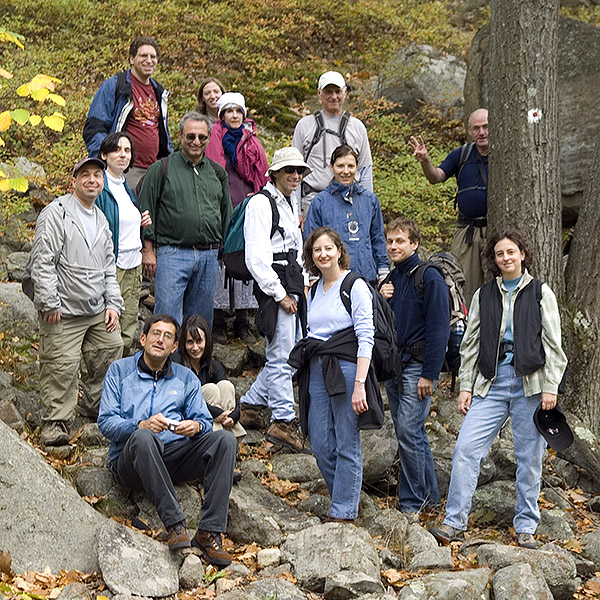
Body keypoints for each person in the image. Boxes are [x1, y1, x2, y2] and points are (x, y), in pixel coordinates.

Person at [429, 229, 568, 549]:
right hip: (490, 383)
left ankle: (526, 527)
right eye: (499, 254)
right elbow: (470, 344)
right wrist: (465, 386)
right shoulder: (483, 295)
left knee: (529, 457)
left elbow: (554, 346)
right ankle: (454, 522)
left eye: (511, 252)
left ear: (523, 254)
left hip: (530, 385)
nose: (505, 258)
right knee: (465, 450)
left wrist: (551, 387)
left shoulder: (539, 292)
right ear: (493, 259)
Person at [98, 314, 237, 565]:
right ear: (143, 339)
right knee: (143, 437)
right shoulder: (119, 371)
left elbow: (205, 421)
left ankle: (209, 532)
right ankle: (175, 524)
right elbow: (105, 421)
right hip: (131, 461)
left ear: (175, 347)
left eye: (168, 336)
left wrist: (194, 426)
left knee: (225, 441)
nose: (160, 340)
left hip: (173, 456)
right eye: (155, 334)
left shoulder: (186, 378)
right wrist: (140, 425)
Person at [24, 157, 124, 446]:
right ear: (74, 181)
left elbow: (109, 267)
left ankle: (94, 406)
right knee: (61, 363)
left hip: (95, 308)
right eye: (85, 176)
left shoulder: (102, 219)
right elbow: (43, 262)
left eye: (97, 176)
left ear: (102, 182)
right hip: (62, 308)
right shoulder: (56, 213)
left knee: (112, 346)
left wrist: (113, 304)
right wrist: (48, 302)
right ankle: (55, 422)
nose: (92, 180)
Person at [289, 227, 374, 521]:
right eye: (316, 250)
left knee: (347, 441)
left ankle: (343, 513)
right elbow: (310, 331)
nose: (323, 254)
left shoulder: (354, 285)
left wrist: (360, 385)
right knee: (321, 444)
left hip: (348, 368)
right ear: (311, 257)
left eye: (328, 248)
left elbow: (366, 336)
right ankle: (347, 497)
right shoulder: (312, 291)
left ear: (339, 250)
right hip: (317, 368)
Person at [239, 147, 310, 453]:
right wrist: (279, 294)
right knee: (282, 355)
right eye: (289, 171)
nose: (295, 176)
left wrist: (304, 284)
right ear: (275, 173)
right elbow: (256, 257)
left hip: (291, 279)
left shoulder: (287, 202)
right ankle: (283, 421)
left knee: (289, 351)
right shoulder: (260, 204)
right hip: (276, 285)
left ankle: (252, 406)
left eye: (299, 171)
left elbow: (295, 248)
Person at [380, 216, 449, 520]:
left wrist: (430, 374)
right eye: (390, 241)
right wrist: (380, 299)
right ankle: (430, 499)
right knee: (413, 433)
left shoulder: (429, 277)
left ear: (414, 244)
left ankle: (411, 502)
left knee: (408, 431)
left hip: (417, 368)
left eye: (400, 241)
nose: (394, 246)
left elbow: (439, 328)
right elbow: (378, 325)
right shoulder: (390, 281)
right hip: (395, 367)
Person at [138, 112, 231, 327]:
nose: (196, 142)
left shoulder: (217, 173)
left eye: (202, 137)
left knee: (199, 323)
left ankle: (194, 362)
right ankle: (165, 361)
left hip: (209, 256)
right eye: (190, 136)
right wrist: (148, 250)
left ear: (208, 138)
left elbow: (227, 215)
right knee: (166, 320)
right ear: (180, 136)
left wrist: (226, 254)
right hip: (172, 254)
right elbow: (145, 211)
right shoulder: (161, 169)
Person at [206, 92, 269, 343]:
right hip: (222, 204)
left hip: (246, 204)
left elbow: (262, 172)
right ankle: (219, 319)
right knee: (221, 260)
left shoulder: (251, 140)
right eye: (229, 111)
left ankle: (242, 319)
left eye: (238, 111)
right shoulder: (213, 138)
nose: (234, 115)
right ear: (221, 114)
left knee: (245, 256)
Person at [409, 108, 488, 304]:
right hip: (467, 232)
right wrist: (425, 161)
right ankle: (466, 330)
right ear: (470, 131)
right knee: (464, 285)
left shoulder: (506, 155)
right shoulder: (461, 155)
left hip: (495, 229)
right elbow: (436, 177)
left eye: (486, 127)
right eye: (476, 128)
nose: (482, 132)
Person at [83, 36, 173, 190]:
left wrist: (170, 163)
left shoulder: (159, 92)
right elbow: (94, 128)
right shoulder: (115, 86)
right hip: (126, 170)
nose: (149, 60)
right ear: (132, 59)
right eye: (144, 56)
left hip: (154, 170)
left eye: (153, 57)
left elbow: (164, 133)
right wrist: (106, 163)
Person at [95, 132, 152, 354]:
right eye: (117, 150)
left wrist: (141, 221)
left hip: (133, 265)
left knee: (128, 326)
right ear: (104, 154)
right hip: (112, 266)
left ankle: (121, 372)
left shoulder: (127, 187)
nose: (123, 155)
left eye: (127, 150)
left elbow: (124, 221)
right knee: (109, 325)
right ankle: (102, 377)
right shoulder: (100, 185)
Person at [303, 144, 388, 285]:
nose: (346, 171)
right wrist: (312, 276)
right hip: (332, 279)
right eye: (340, 166)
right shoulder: (320, 202)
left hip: (366, 276)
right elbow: (310, 241)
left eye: (351, 166)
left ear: (357, 167)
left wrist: (383, 271)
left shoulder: (370, 200)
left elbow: (377, 238)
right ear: (331, 167)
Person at [292, 71, 373, 217]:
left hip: (350, 204)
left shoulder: (357, 127)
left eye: (338, 91)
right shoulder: (304, 125)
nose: (334, 96)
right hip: (312, 203)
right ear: (319, 93)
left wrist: (367, 210)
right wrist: (296, 212)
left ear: (345, 92)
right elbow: (294, 172)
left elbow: (365, 171)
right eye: (328, 92)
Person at [173, 314, 246, 439]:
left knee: (226, 385)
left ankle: (226, 438)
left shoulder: (214, 365)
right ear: (183, 343)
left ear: (207, 341)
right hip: (191, 417)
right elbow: (181, 397)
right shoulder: (176, 362)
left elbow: (235, 399)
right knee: (211, 389)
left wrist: (231, 417)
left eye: (199, 341)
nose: (195, 347)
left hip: (218, 418)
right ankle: (221, 440)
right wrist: (216, 413)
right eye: (190, 342)